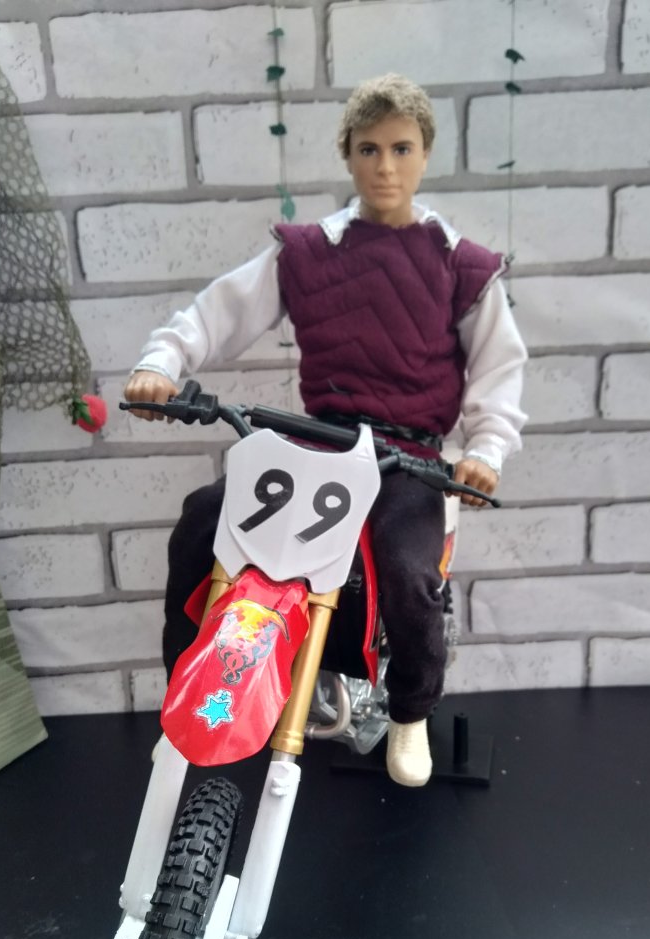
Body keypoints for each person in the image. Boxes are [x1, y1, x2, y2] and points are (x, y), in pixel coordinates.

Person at [125, 73, 527, 788]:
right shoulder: (309, 252)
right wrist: (162, 364)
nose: (385, 167)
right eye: (369, 149)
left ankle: (409, 711)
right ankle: (186, 684)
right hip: (318, 440)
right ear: (347, 155)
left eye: (402, 148)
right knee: (204, 522)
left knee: (406, 567)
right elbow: (217, 312)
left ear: (425, 152)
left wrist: (485, 451)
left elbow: (499, 370)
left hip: (408, 455)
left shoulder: (461, 267)